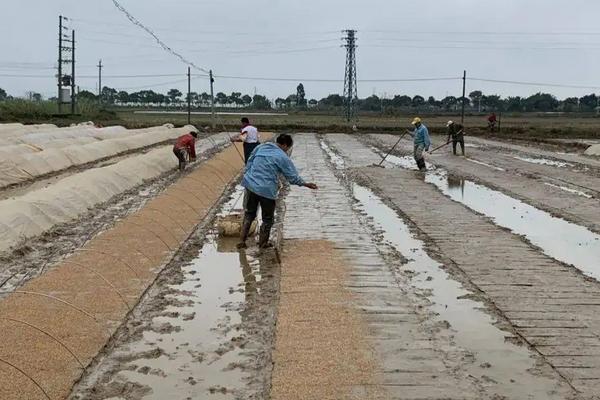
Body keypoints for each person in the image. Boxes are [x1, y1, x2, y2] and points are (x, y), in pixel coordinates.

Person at [238, 134, 318, 249]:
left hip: (251, 185)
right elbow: (292, 177)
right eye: (288, 148)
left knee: (249, 214)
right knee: (267, 218)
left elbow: (249, 161)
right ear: (285, 145)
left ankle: (241, 241)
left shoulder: (261, 147)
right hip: (267, 189)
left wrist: (248, 175)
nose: (288, 150)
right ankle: (263, 243)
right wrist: (305, 184)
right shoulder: (282, 157)